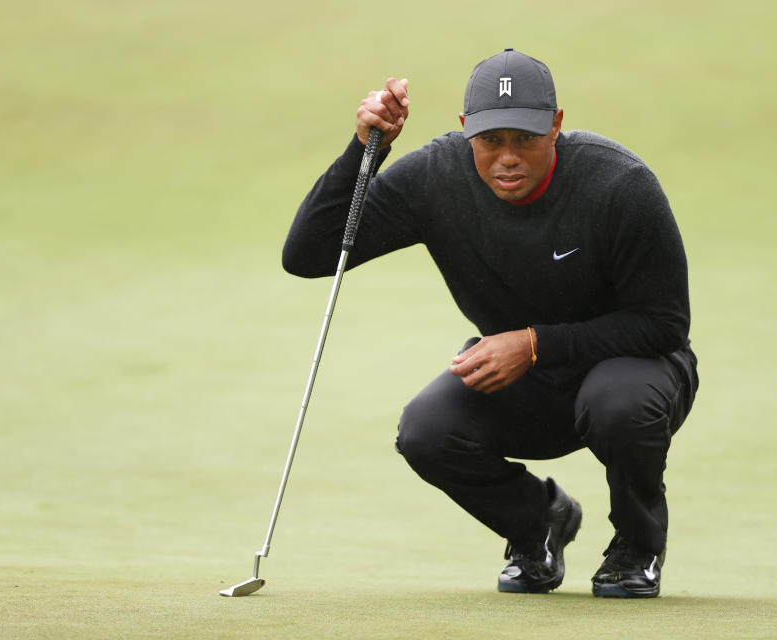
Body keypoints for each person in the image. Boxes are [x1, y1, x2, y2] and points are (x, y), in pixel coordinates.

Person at [282, 48, 698, 598]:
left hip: (634, 370)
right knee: (427, 430)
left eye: (525, 138)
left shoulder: (620, 184)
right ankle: (537, 524)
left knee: (616, 402)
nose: (508, 157)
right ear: (465, 131)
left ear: (555, 126)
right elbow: (309, 254)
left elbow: (665, 325)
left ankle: (636, 548)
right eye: (491, 140)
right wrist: (365, 149)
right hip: (526, 382)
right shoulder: (436, 175)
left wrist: (533, 344)